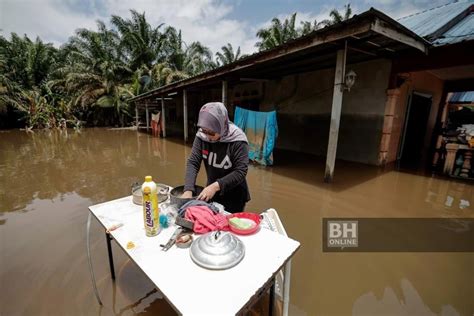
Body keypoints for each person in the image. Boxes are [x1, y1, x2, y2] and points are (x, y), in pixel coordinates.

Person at [182, 102, 250, 213]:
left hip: (234, 195)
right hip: (211, 192)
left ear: (222, 126)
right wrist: (188, 189)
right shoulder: (201, 136)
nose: (207, 136)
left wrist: (215, 186)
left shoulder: (238, 140)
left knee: (229, 225)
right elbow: (193, 162)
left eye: (212, 133)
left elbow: (240, 171)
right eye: (204, 131)